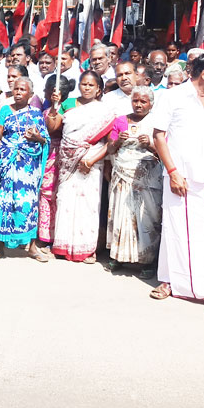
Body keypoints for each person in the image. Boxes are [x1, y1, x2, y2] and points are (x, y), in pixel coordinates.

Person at [150, 53, 204, 313]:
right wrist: (172, 171)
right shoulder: (172, 97)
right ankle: (170, 281)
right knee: (175, 231)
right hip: (179, 176)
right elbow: (159, 136)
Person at [47, 71, 115, 263]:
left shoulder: (104, 111)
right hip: (67, 161)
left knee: (89, 204)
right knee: (65, 200)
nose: (86, 88)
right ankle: (63, 245)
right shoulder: (68, 104)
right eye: (83, 84)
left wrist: (92, 160)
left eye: (91, 85)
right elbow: (53, 128)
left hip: (91, 161)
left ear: (98, 89)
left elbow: (110, 142)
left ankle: (87, 249)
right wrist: (55, 107)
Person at [0, 76, 49, 260]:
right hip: (8, 163)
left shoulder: (37, 114)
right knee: (4, 201)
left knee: (28, 204)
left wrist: (35, 137)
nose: (18, 93)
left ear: (30, 94)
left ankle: (31, 246)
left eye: (22, 90)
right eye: (16, 89)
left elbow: (45, 140)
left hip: (27, 168)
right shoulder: (5, 110)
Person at [105, 86, 163, 277]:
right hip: (123, 174)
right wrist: (118, 141)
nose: (138, 105)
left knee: (146, 217)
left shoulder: (157, 122)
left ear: (151, 104)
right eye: (135, 101)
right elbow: (111, 149)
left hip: (148, 177)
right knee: (122, 213)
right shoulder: (121, 120)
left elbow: (166, 150)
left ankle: (147, 261)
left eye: (143, 101)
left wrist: (152, 144)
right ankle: (118, 256)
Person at [38, 74, 72, 250]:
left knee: (51, 194)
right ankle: (43, 233)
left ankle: (51, 235)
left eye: (47, 89)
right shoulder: (48, 108)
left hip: (57, 153)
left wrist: (55, 107)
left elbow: (53, 128)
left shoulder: (66, 110)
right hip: (45, 153)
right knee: (44, 192)